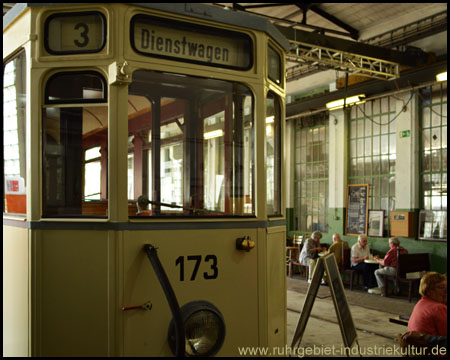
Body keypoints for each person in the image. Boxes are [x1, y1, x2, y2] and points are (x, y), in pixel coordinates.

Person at [408, 272, 447, 337]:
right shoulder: (438, 308)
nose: (446, 291)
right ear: (428, 291)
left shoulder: (421, 303)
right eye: (441, 287)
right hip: (433, 346)